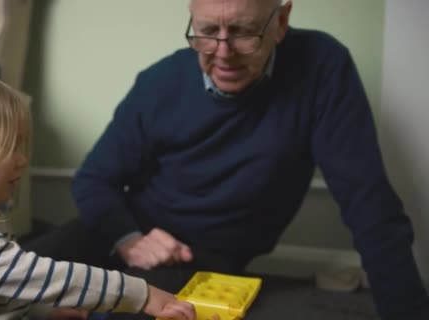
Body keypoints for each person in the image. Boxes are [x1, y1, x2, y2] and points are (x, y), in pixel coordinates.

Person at [25, 0, 429, 319]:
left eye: (242, 31)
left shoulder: (323, 67)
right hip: (125, 228)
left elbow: (369, 203)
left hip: (206, 253)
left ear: (281, 21)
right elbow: (94, 179)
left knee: (134, 310)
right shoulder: (158, 80)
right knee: (12, 275)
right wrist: (130, 241)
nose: (222, 53)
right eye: (206, 32)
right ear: (191, 17)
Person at [0, 71, 196, 320]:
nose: (22, 160)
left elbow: (2, 288)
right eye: (10, 147)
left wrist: (43, 313)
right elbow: (46, 277)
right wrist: (141, 295)